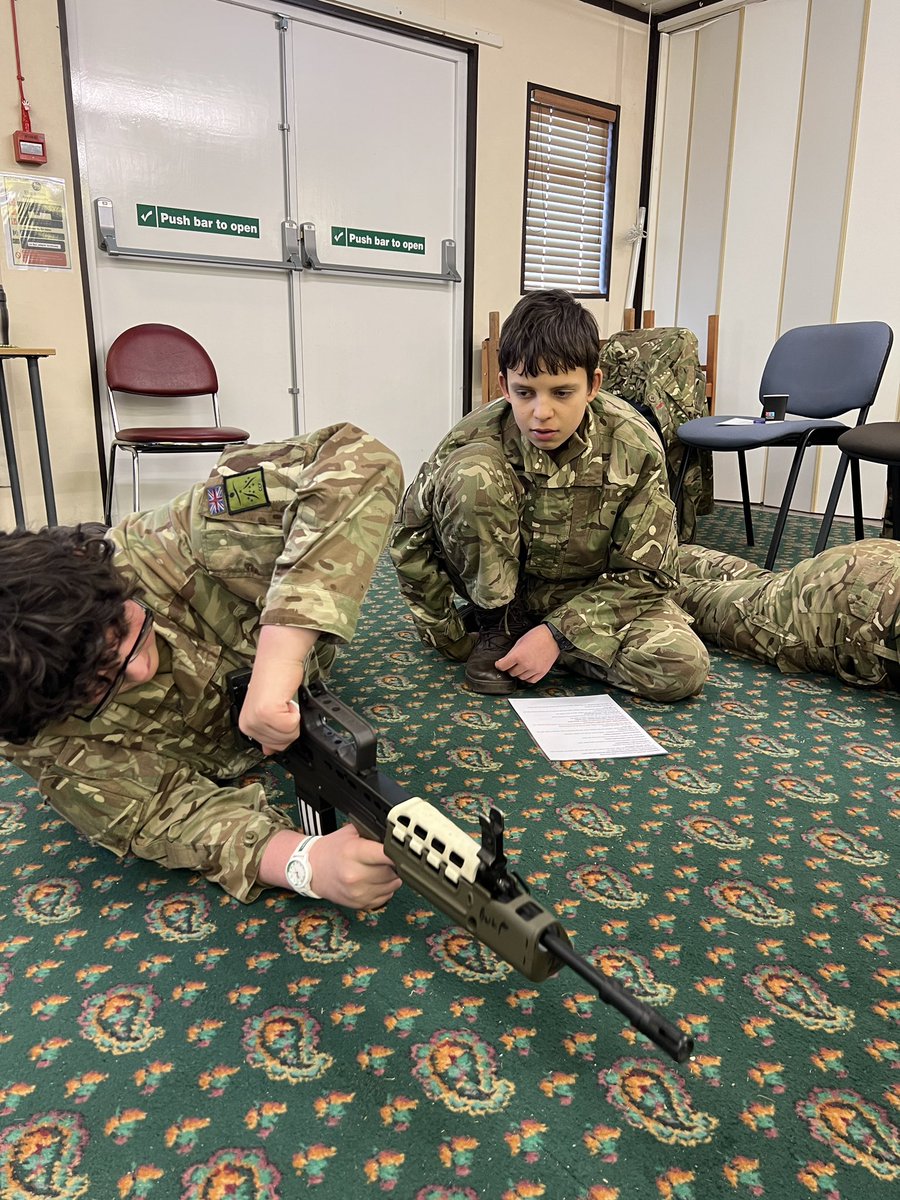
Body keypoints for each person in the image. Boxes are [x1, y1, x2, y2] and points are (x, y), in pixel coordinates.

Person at [0, 424, 405, 908]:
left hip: (299, 673)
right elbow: (162, 813)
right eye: (99, 686)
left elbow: (360, 458)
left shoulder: (179, 537)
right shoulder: (34, 724)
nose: (139, 671)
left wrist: (279, 660)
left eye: (125, 630)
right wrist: (304, 863)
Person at [390, 289, 709, 701]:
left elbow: (648, 572)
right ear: (504, 386)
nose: (541, 412)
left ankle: (535, 641)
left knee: (679, 667)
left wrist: (558, 634)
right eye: (525, 392)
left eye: (562, 393)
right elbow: (410, 537)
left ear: (592, 384)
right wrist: (448, 637)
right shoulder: (471, 437)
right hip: (497, 593)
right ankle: (498, 625)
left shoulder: (634, 443)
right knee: (473, 473)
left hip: (588, 589)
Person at [673, 540, 900, 690]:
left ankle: (668, 547)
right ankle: (645, 558)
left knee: (766, 586)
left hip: (876, 561)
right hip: (839, 606)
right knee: (692, 598)